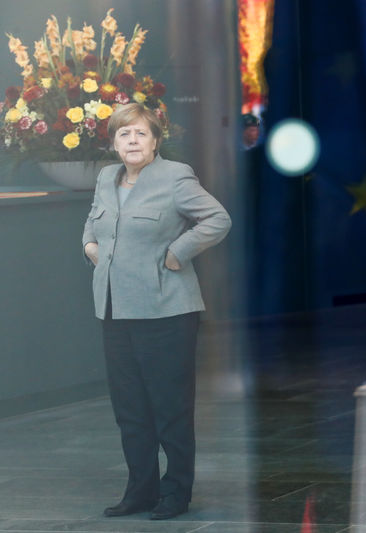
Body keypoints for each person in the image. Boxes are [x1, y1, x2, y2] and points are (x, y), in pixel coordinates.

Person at [82, 103, 232, 520]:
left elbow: (217, 219)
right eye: (124, 134)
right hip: (114, 310)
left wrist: (176, 253)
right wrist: (90, 248)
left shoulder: (175, 176)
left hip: (166, 311)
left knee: (170, 407)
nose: (132, 141)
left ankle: (176, 493)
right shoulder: (105, 178)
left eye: (141, 134)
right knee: (129, 410)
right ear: (114, 143)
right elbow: (92, 226)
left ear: (155, 141)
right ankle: (140, 490)